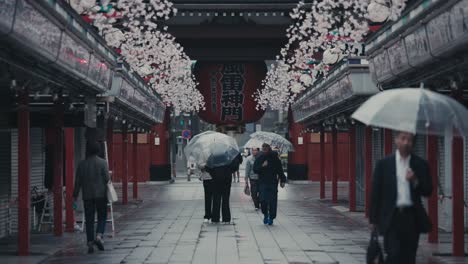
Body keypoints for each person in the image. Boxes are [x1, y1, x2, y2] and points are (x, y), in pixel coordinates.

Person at [369, 131, 432, 264]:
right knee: (393, 254)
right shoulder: (384, 164)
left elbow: (428, 191)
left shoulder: (420, 164)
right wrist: (373, 220)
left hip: (412, 217)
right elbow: (376, 193)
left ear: (413, 143)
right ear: (396, 140)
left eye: (409, 140)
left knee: (409, 256)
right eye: (403, 139)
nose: (406, 143)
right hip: (392, 217)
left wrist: (415, 180)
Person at [73, 141, 110, 254]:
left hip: (87, 195)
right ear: (98, 150)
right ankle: (99, 236)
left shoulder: (82, 164)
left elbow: (78, 182)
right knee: (102, 216)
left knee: (89, 219)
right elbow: (107, 179)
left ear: (87, 150)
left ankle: (90, 242)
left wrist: (74, 195)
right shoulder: (103, 163)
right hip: (101, 195)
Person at [253, 143, 286, 225]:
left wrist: (282, 180)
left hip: (273, 182)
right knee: (263, 200)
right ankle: (265, 214)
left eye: (266, 147)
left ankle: (271, 217)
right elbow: (255, 170)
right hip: (262, 182)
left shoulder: (275, 158)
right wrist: (262, 166)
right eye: (263, 147)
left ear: (269, 148)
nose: (264, 148)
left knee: (273, 201)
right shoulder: (259, 158)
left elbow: (280, 170)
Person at [206, 153, 242, 224]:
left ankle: (215, 218)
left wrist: (213, 173)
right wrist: (229, 171)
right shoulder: (229, 154)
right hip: (227, 177)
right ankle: (226, 218)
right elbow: (235, 165)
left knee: (216, 198)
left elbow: (208, 166)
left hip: (216, 177)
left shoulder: (214, 154)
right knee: (225, 198)